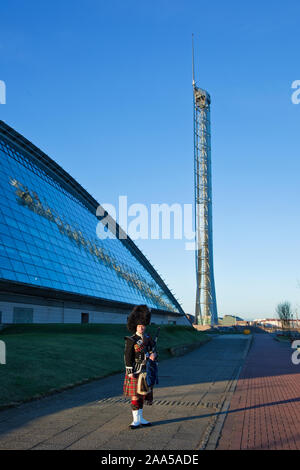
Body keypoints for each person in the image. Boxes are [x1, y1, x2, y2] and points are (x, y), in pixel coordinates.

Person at [123, 304, 157, 429]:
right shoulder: (131, 339)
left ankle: (141, 418)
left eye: (143, 326)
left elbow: (154, 350)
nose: (141, 328)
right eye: (139, 326)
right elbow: (127, 356)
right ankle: (135, 420)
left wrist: (153, 355)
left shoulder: (148, 338)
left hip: (146, 370)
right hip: (136, 370)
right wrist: (129, 370)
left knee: (143, 394)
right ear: (135, 326)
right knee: (135, 395)